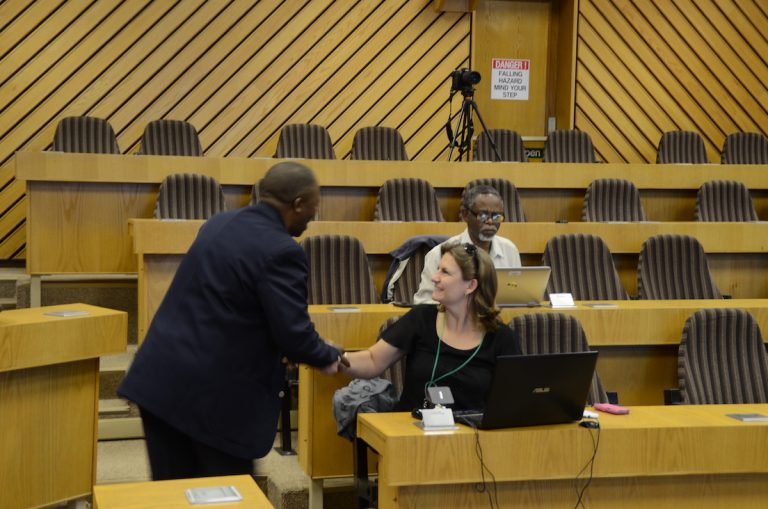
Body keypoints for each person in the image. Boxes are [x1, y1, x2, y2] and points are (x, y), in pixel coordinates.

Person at [118, 162, 343, 480]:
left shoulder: (219, 223)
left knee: (174, 494)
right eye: (313, 207)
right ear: (297, 204)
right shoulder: (282, 251)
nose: (312, 216)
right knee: (228, 495)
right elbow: (294, 335)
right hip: (211, 401)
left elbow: (235, 307)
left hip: (160, 381)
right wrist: (328, 355)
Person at [340, 242, 521, 411]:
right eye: (437, 269)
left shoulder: (501, 337)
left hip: (472, 433)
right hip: (413, 429)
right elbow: (373, 360)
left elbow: (514, 399)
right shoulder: (421, 318)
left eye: (445, 272)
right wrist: (335, 358)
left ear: (471, 285)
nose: (434, 278)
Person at [413, 185, 521, 304]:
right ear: (465, 215)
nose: (490, 221)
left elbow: (517, 295)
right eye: (483, 215)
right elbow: (424, 304)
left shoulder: (510, 250)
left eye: (496, 216)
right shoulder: (438, 254)